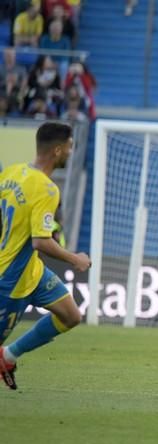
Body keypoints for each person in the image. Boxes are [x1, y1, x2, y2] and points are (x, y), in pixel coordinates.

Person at [0, 122, 91, 390]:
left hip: (33, 271)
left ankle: (8, 356)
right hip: (10, 278)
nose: (71, 153)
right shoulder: (47, 189)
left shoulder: (12, 173)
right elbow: (40, 241)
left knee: (71, 315)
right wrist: (75, 259)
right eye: (70, 147)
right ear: (58, 150)